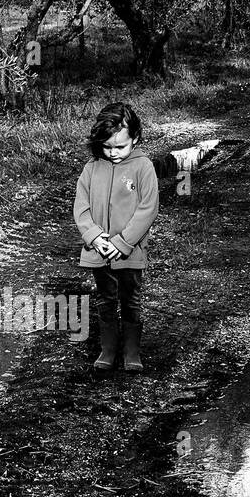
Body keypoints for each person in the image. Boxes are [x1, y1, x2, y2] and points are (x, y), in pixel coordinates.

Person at [72, 102, 158, 373]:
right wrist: (95, 237)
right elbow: (81, 207)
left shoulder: (143, 167)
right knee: (105, 298)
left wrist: (122, 243)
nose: (113, 153)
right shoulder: (92, 167)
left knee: (131, 299)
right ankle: (108, 349)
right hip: (99, 250)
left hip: (129, 251)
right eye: (107, 147)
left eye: (120, 147)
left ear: (136, 138)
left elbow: (148, 208)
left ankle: (131, 351)